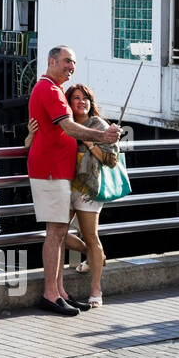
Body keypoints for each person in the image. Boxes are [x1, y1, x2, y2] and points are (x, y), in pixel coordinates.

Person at [28, 46, 121, 317]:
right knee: (55, 232)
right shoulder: (49, 89)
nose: (72, 66)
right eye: (67, 61)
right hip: (50, 170)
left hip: (57, 170)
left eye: (74, 63)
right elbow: (67, 127)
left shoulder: (50, 89)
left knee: (58, 233)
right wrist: (102, 137)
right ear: (52, 61)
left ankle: (60, 292)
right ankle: (51, 293)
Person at [64, 84, 116, 307]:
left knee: (91, 235)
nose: (81, 102)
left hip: (88, 189)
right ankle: (95, 256)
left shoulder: (99, 125)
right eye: (76, 98)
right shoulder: (64, 124)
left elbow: (111, 160)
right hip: (64, 186)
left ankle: (96, 290)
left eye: (85, 98)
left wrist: (91, 143)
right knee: (58, 235)